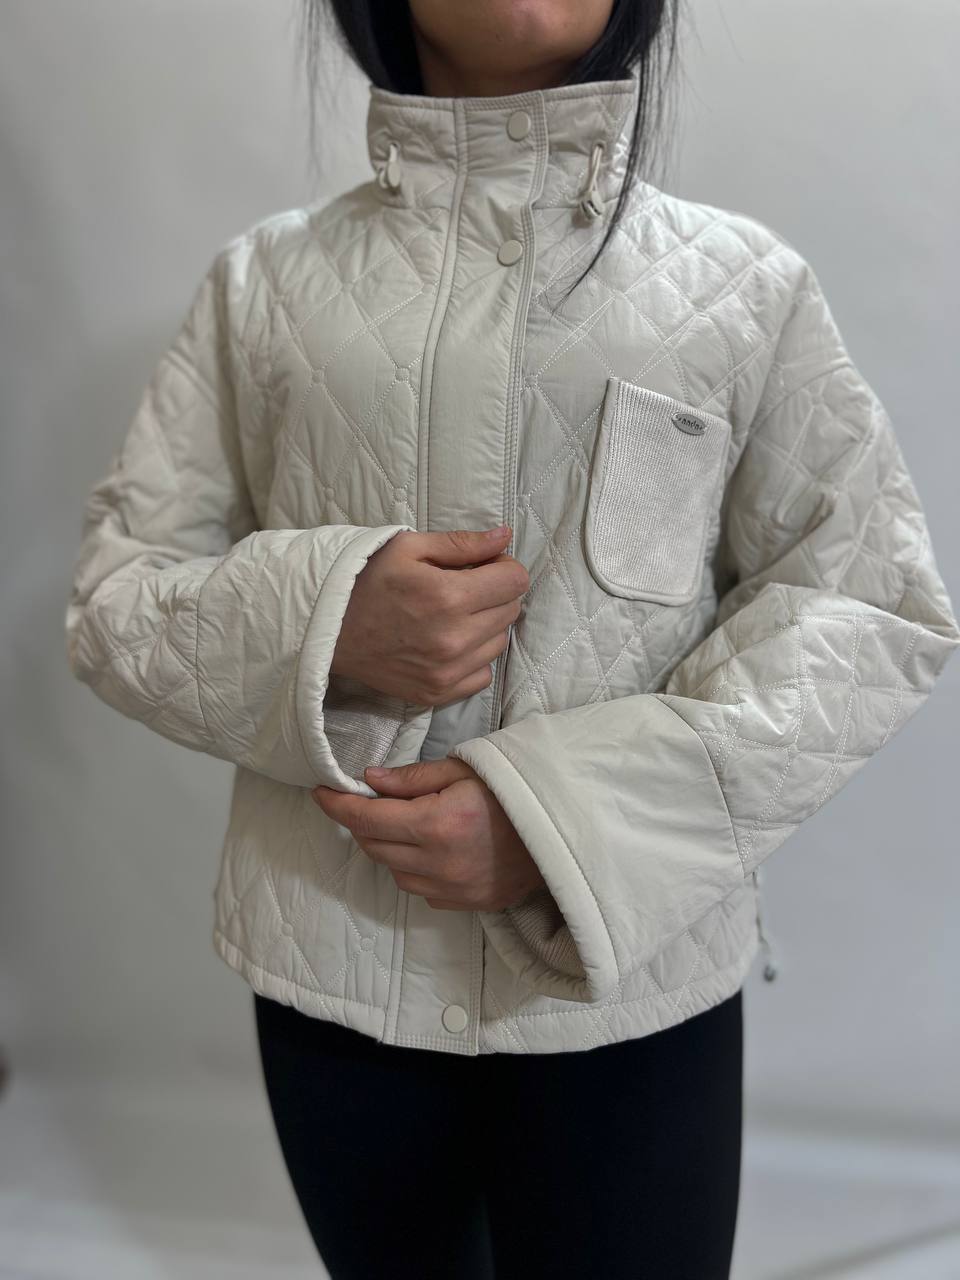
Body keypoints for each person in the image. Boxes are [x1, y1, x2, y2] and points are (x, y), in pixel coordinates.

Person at [64, 1, 960, 1276]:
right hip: (331, 966)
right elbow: (117, 593)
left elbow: (868, 604)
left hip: (623, 977)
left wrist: (561, 824)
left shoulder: (744, 288)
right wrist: (329, 617)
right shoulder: (264, 284)